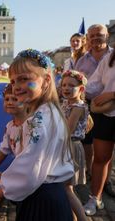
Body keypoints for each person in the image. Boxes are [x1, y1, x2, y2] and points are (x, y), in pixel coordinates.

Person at [0, 49, 74, 221]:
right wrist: (10, 176)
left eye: (24, 79)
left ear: (46, 80)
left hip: (41, 202)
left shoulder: (38, 121)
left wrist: (3, 188)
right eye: (13, 81)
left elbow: (30, 171)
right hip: (53, 197)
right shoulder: (52, 112)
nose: (16, 86)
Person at [74, 24, 113, 182]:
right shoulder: (81, 61)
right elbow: (78, 83)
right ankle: (90, 170)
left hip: (111, 106)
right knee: (88, 140)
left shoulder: (112, 55)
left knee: (107, 149)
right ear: (88, 39)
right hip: (89, 104)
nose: (96, 38)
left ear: (107, 35)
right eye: (92, 35)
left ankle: (106, 180)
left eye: (100, 34)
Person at [83, 49, 115, 215]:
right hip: (106, 114)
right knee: (101, 158)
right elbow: (94, 83)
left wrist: (112, 94)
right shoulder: (109, 57)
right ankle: (95, 198)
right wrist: (77, 87)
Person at [60, 70, 89, 221]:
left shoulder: (77, 107)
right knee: (66, 188)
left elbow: (67, 129)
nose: (66, 88)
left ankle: (82, 218)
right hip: (66, 145)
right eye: (64, 84)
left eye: (71, 85)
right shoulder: (67, 103)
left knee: (67, 189)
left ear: (81, 89)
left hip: (70, 146)